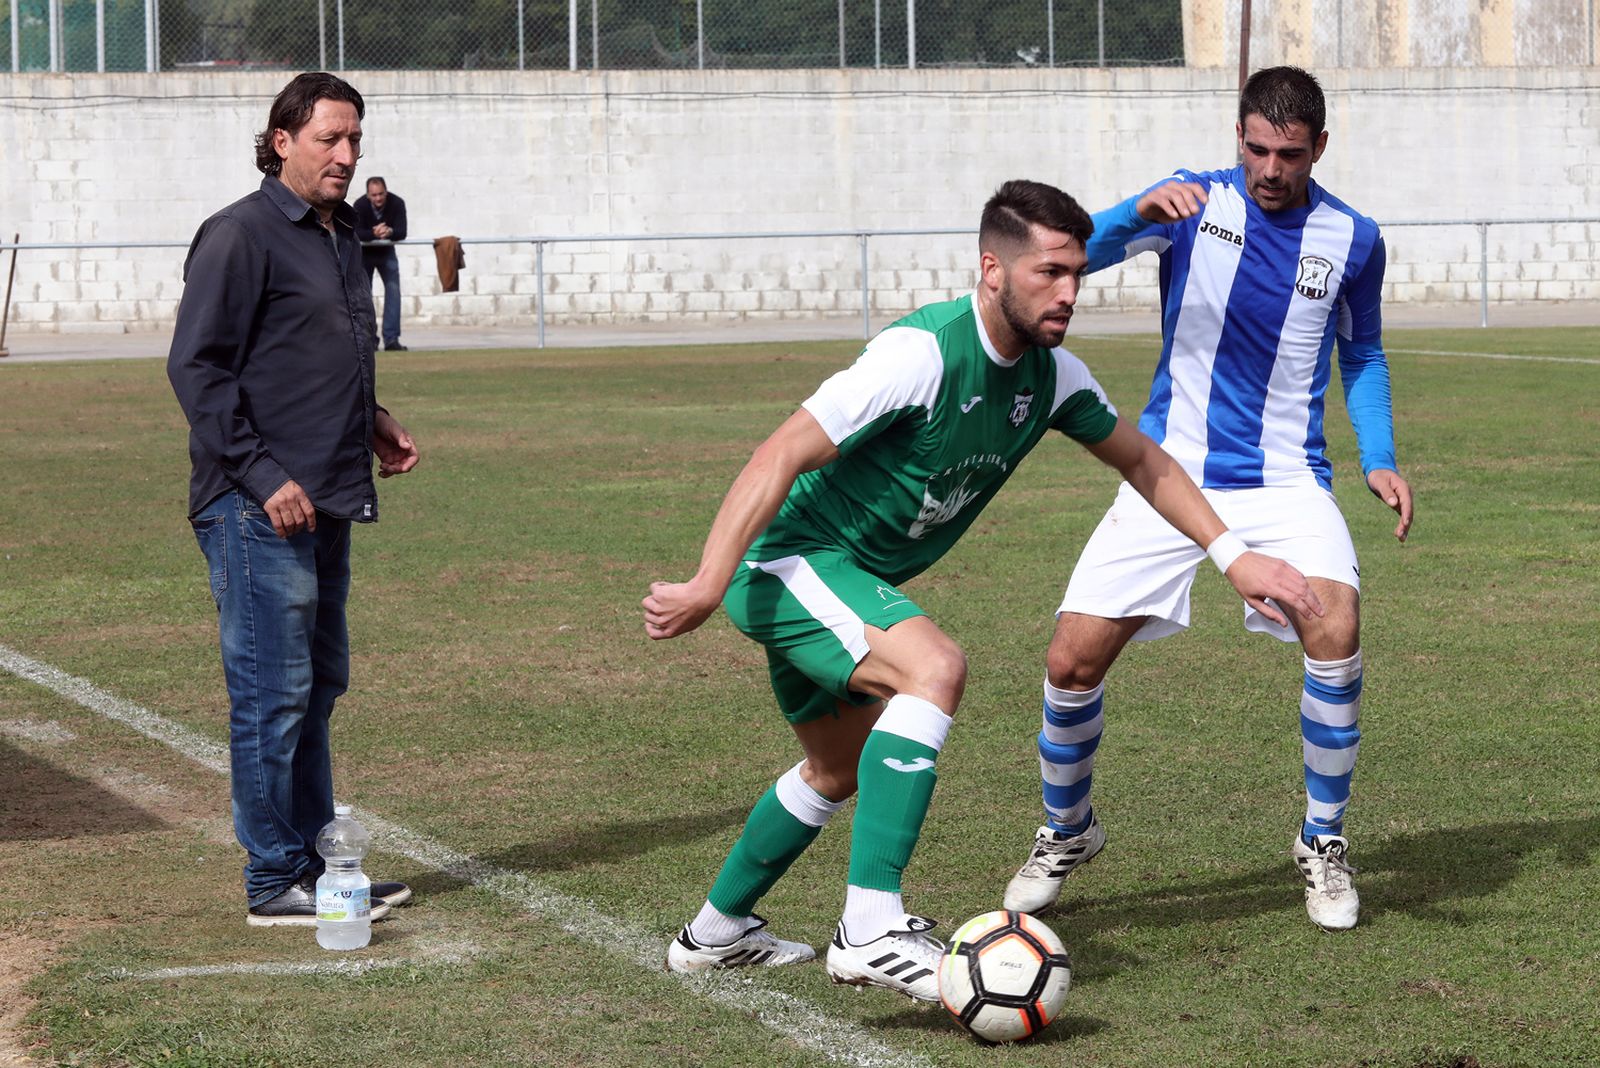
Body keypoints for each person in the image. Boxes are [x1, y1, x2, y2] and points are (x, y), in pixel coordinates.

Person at [643, 179, 1322, 999]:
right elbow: (778, 453)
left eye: (1077, 273)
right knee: (934, 668)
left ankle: (715, 932)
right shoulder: (922, 354)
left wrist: (1233, 557)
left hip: (842, 576)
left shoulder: (1054, 377)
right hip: (791, 560)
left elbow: (1145, 461)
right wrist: (708, 582)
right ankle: (869, 925)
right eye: (1049, 273)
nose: (1069, 292)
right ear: (992, 270)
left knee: (835, 768)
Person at [1001, 66, 1414, 932]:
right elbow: (1083, 254)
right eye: (1257, 148)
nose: (1270, 168)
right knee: (1071, 662)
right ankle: (1067, 830)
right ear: (1239, 137)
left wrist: (1377, 454)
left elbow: (1363, 354)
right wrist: (1137, 212)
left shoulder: (1354, 237)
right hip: (1169, 470)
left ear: (1319, 149)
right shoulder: (1191, 203)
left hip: (1286, 477)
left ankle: (1323, 840)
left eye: (1289, 154)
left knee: (1335, 626)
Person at [167, 72, 421, 927]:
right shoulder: (239, 235)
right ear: (282, 141)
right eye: (328, 140)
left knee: (315, 688)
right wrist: (263, 474)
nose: (346, 157)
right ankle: (274, 879)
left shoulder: (343, 231)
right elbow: (198, 369)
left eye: (355, 141)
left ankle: (322, 870)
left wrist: (374, 419)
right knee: (272, 694)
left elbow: (318, 352)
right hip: (255, 505)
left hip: (326, 498)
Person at [354, 176, 408, 351]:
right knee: (363, 297)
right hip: (365, 254)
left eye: (381, 194)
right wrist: (374, 233)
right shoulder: (360, 205)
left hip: (387, 252)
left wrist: (389, 231)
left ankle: (391, 339)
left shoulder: (397, 203)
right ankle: (369, 339)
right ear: (368, 195)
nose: (378, 198)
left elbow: (402, 231)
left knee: (393, 292)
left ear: (386, 192)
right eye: (374, 195)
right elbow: (356, 233)